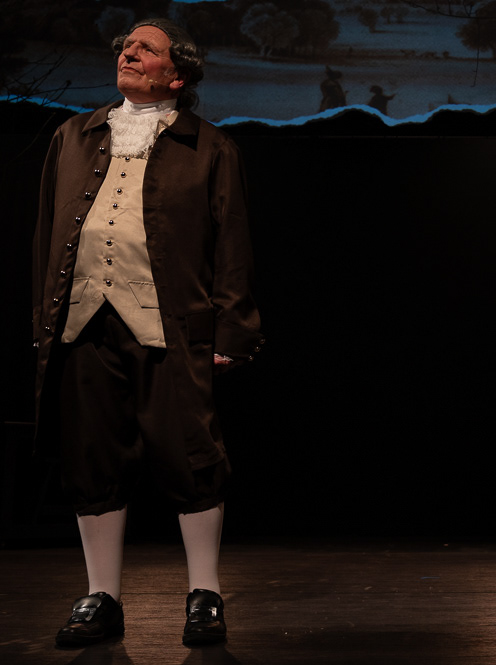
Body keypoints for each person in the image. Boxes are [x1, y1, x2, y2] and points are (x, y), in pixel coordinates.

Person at [32, 18, 264, 647]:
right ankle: (101, 596)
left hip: (170, 324)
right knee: (92, 457)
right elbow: (46, 238)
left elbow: (232, 243)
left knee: (191, 456)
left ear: (177, 74)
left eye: (146, 49)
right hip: (83, 321)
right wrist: (45, 320)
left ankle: (205, 594)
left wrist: (233, 330)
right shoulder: (73, 135)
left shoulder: (209, 146)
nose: (128, 53)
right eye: (125, 47)